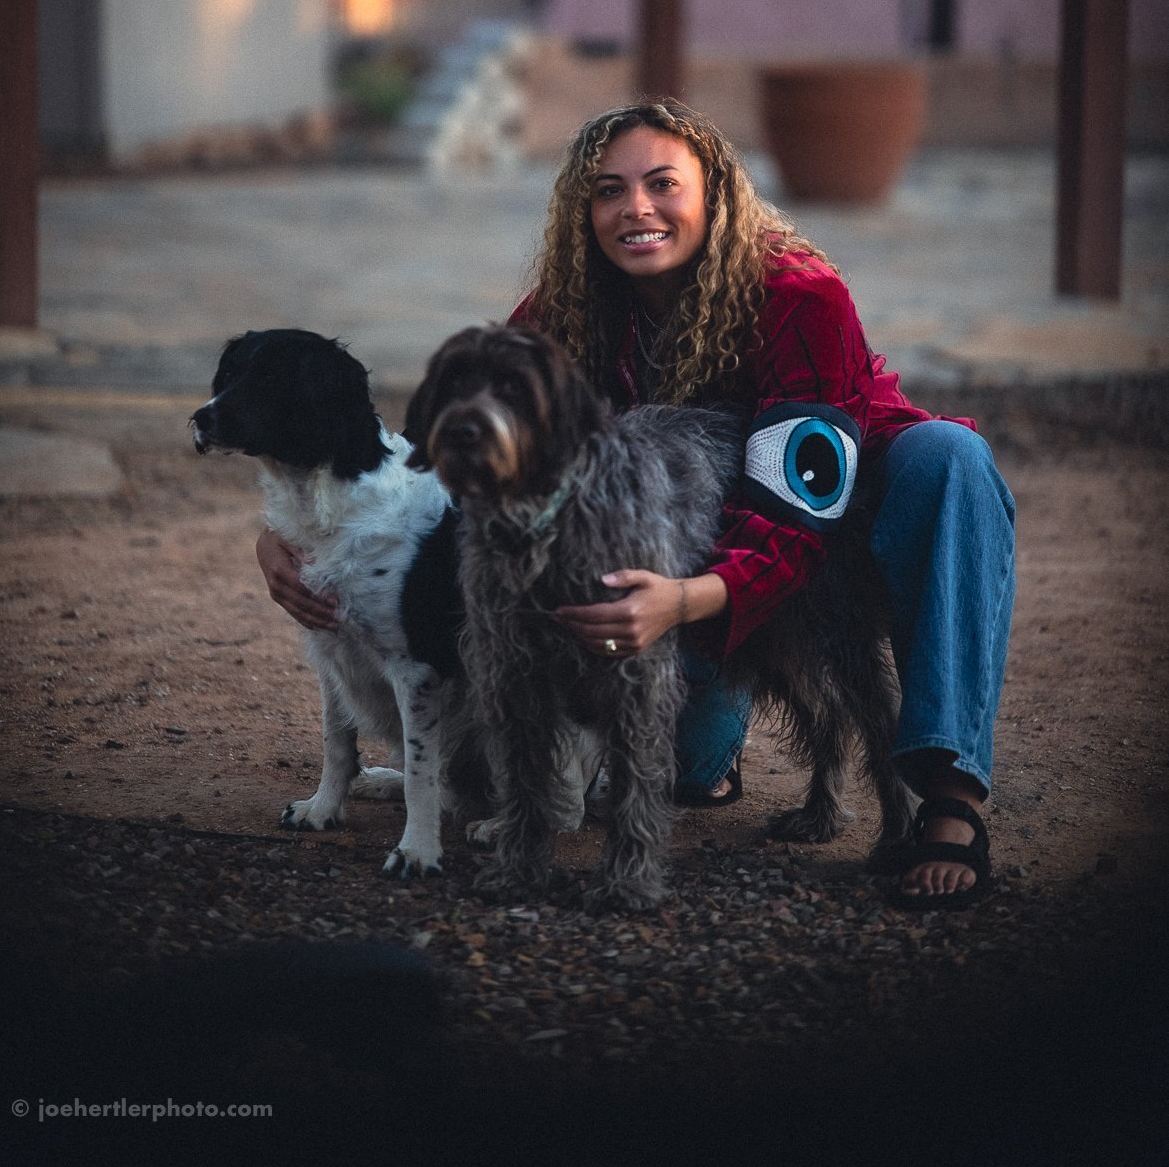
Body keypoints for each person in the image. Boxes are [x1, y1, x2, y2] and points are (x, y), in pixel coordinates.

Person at [258, 99, 1015, 910]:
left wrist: (682, 603)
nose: (636, 209)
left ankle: (949, 795)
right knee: (676, 767)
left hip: (823, 523)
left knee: (949, 457)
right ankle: (715, 739)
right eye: (609, 190)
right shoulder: (568, 306)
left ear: (714, 192)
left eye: (663, 184)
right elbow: (457, 436)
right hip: (671, 547)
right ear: (583, 211)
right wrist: (286, 534)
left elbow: (800, 505)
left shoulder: (800, 294)